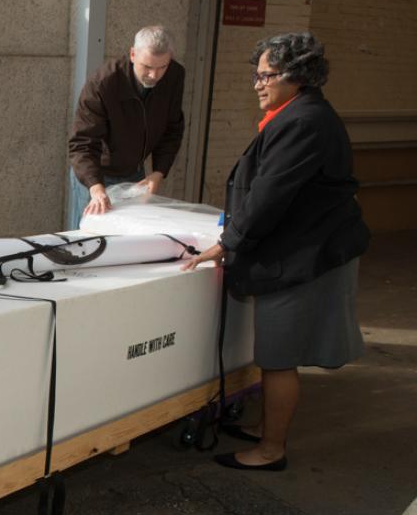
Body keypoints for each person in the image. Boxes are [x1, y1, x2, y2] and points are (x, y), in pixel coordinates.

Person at [181, 32, 369, 472]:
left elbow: (269, 196)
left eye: (266, 75)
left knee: (278, 359)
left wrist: (225, 244)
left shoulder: (303, 122)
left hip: (303, 260)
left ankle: (271, 450)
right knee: (276, 356)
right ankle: (265, 429)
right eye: (256, 74)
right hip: (298, 248)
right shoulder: (299, 115)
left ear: (297, 76)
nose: (257, 84)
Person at [68, 25, 185, 223]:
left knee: (127, 237)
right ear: (132, 54)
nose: (154, 75)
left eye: (162, 67)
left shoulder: (175, 75)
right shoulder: (103, 82)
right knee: (87, 240)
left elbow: (172, 128)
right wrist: (96, 187)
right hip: (96, 173)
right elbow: (82, 142)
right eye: (147, 67)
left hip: (135, 174)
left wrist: (158, 173)